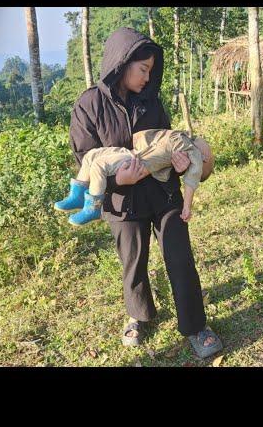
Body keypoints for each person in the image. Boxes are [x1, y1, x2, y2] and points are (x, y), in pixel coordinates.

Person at [68, 27, 222, 358]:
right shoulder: (88, 105)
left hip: (163, 195)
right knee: (133, 263)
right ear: (121, 63)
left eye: (151, 70)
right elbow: (86, 159)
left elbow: (170, 144)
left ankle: (195, 326)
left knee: (180, 258)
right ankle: (139, 315)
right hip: (122, 201)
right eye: (143, 69)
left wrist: (181, 164)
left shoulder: (150, 101)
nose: (147, 77)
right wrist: (117, 182)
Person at [54, 131, 213, 226]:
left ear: (204, 158)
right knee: (91, 156)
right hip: (135, 151)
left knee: (99, 165)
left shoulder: (195, 156)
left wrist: (187, 207)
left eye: (208, 153)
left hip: (138, 162)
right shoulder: (182, 137)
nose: (205, 144)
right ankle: (77, 195)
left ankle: (94, 207)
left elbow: (191, 181)